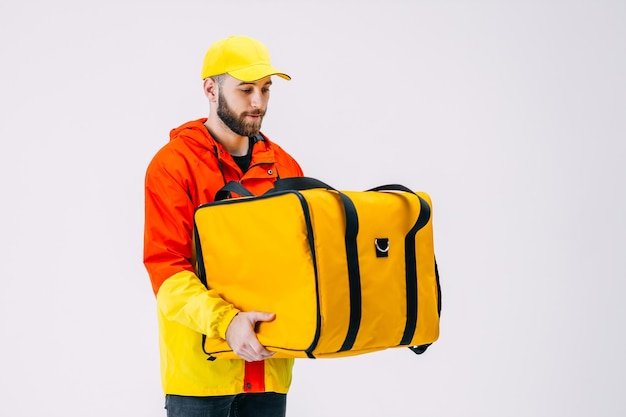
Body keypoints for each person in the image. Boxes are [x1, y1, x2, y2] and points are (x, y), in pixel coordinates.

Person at [143, 35, 304, 417]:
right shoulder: (173, 165)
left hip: (270, 368)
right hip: (200, 376)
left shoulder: (286, 167)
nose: (258, 103)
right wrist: (227, 323)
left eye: (266, 90)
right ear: (210, 89)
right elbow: (167, 271)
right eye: (245, 90)